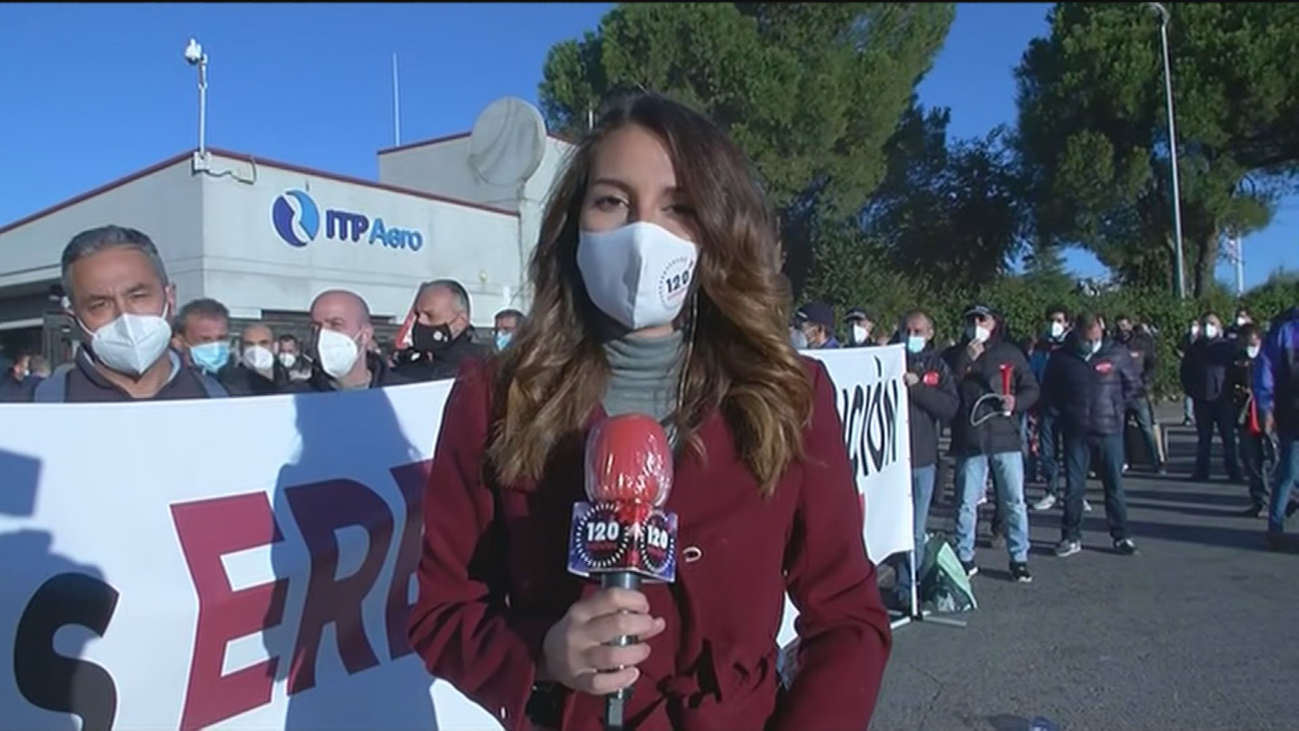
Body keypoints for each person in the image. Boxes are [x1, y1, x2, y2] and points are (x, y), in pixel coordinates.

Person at [407, 93, 891, 731]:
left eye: (678, 207)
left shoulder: (790, 396)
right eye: (612, 201)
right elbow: (442, 612)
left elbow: (849, 621)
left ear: (717, 228)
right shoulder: (495, 398)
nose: (644, 234)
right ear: (573, 222)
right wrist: (542, 654)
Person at [32, 225, 228, 402]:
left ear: (170, 298)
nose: (124, 316)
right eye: (99, 305)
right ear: (74, 318)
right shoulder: (39, 407)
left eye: (138, 296)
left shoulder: (215, 398)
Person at [943, 305, 1038, 581]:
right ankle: (964, 556)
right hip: (970, 438)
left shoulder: (1009, 353)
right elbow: (946, 388)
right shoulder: (953, 355)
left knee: (1014, 501)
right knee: (965, 502)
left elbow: (1032, 388)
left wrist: (1017, 402)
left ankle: (1019, 557)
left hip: (1004, 437)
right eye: (970, 319)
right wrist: (964, 361)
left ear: (994, 323)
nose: (976, 324)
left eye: (981, 319)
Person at [1045, 312, 1139, 557]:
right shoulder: (1061, 358)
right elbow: (1050, 391)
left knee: (1114, 486)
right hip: (1076, 432)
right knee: (1074, 488)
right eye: (1086, 337)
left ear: (1101, 329)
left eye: (1094, 335)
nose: (1090, 341)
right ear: (1077, 333)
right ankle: (1070, 536)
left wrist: (1116, 409)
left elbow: (1133, 386)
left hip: (1109, 431)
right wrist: (1064, 413)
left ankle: (1121, 535)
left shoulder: (1117, 353)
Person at [892, 310, 959, 609]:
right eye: (907, 330)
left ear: (930, 333)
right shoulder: (888, 359)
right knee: (893, 527)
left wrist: (917, 388)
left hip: (923, 459)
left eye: (918, 331)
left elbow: (948, 407)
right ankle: (900, 584)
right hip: (892, 462)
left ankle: (912, 587)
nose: (912, 336)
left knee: (916, 530)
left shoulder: (938, 366)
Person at [292, 290, 411, 392]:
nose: (323, 334)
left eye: (336, 324)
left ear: (365, 334)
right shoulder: (295, 398)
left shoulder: (406, 392)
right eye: (315, 327)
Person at [1256, 307, 1299, 551]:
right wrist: (1266, 406)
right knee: (1289, 470)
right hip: (1292, 413)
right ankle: (1275, 526)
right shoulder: (1286, 332)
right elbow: (1265, 370)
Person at [1180, 313, 1242, 482]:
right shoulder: (1195, 348)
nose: (1209, 327)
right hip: (1202, 400)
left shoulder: (1229, 347)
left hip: (1224, 399)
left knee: (1228, 438)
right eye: (1206, 323)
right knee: (1204, 439)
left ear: (1220, 326)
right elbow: (1185, 372)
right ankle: (1201, 471)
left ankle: (1234, 472)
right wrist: (1191, 391)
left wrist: (1235, 391)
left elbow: (1238, 371)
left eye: (1213, 323)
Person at [392, 279, 491, 381]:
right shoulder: (406, 369)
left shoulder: (483, 370)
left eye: (430, 316)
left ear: (461, 321)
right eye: (417, 315)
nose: (420, 321)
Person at [1030, 305, 1071, 510]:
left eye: (1059, 320)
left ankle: (1075, 493)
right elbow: (1033, 372)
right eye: (1051, 320)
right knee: (1048, 452)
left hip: (1071, 407)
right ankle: (1051, 490)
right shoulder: (1041, 347)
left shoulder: (1073, 346)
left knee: (1073, 452)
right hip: (1047, 406)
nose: (1054, 324)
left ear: (1067, 324)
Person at [1115, 314, 1166, 474]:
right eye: (1119, 326)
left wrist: (1146, 382)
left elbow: (1152, 364)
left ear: (1130, 325)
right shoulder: (1113, 345)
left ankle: (1156, 461)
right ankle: (1124, 461)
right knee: (1120, 430)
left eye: (1124, 325)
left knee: (1146, 428)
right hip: (1119, 394)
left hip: (1138, 393)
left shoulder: (1141, 343)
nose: (1122, 329)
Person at [1228, 324, 1269, 517]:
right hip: (1245, 414)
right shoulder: (1236, 360)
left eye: (1253, 341)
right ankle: (1259, 500)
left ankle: (1280, 500)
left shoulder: (1270, 358)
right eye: (1245, 341)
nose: (1249, 345)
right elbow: (1227, 383)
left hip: (1269, 414)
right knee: (1251, 460)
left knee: (1273, 459)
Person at [230, 323, 289, 396]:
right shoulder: (231, 384)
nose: (257, 349)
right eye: (249, 344)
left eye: (263, 343)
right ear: (241, 348)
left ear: (274, 346)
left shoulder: (286, 377)